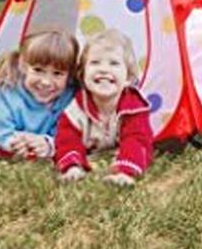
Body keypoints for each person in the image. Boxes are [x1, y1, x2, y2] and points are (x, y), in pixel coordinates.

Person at [54, 28, 153, 186]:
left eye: (114, 63)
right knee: (67, 141)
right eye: (95, 63)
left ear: (128, 78)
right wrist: (72, 166)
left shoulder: (134, 107)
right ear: (83, 74)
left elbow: (138, 141)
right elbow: (66, 140)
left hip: (122, 157)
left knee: (136, 142)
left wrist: (125, 171)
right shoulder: (77, 108)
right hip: (87, 152)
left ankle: (124, 174)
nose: (104, 69)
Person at [0, 30, 79, 159]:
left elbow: (69, 134)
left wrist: (48, 144)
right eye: (38, 70)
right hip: (16, 140)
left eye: (57, 73)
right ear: (24, 67)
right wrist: (12, 143)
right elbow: (0, 128)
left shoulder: (69, 98)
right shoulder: (8, 92)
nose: (46, 82)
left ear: (69, 75)